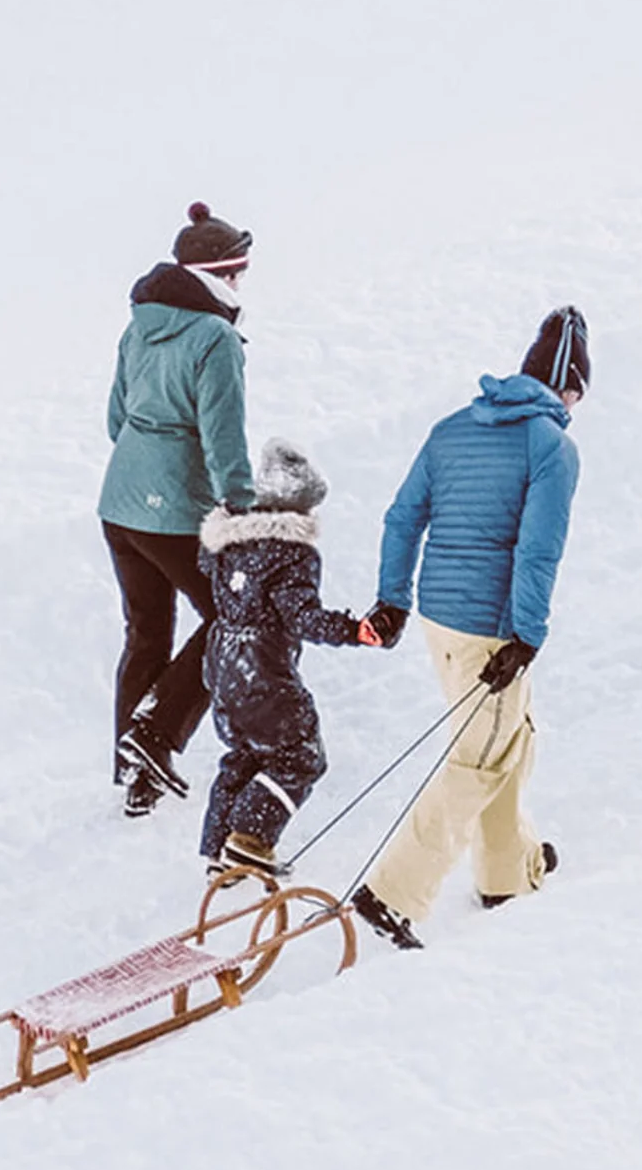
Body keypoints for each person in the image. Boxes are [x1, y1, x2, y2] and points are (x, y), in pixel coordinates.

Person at [351, 305, 588, 951]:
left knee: (511, 737)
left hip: (439, 619)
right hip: (491, 626)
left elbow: (402, 518)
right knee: (480, 755)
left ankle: (509, 872)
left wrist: (391, 600)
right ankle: (390, 895)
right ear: (569, 387)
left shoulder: (451, 429)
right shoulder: (552, 447)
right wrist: (526, 635)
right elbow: (539, 548)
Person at [100, 202, 256, 818]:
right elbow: (224, 436)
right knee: (229, 616)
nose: (243, 286)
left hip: (118, 504)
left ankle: (132, 771)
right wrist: (240, 507)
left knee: (146, 633)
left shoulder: (139, 325)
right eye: (239, 274)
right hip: (170, 512)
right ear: (218, 275)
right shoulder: (215, 339)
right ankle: (158, 735)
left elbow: (117, 420)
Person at [197, 438, 382, 876]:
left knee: (244, 753)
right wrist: (353, 630)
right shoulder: (293, 554)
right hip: (264, 670)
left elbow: (206, 566)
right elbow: (301, 617)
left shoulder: (227, 544)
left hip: (223, 666)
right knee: (299, 756)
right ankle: (249, 842)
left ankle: (218, 849)